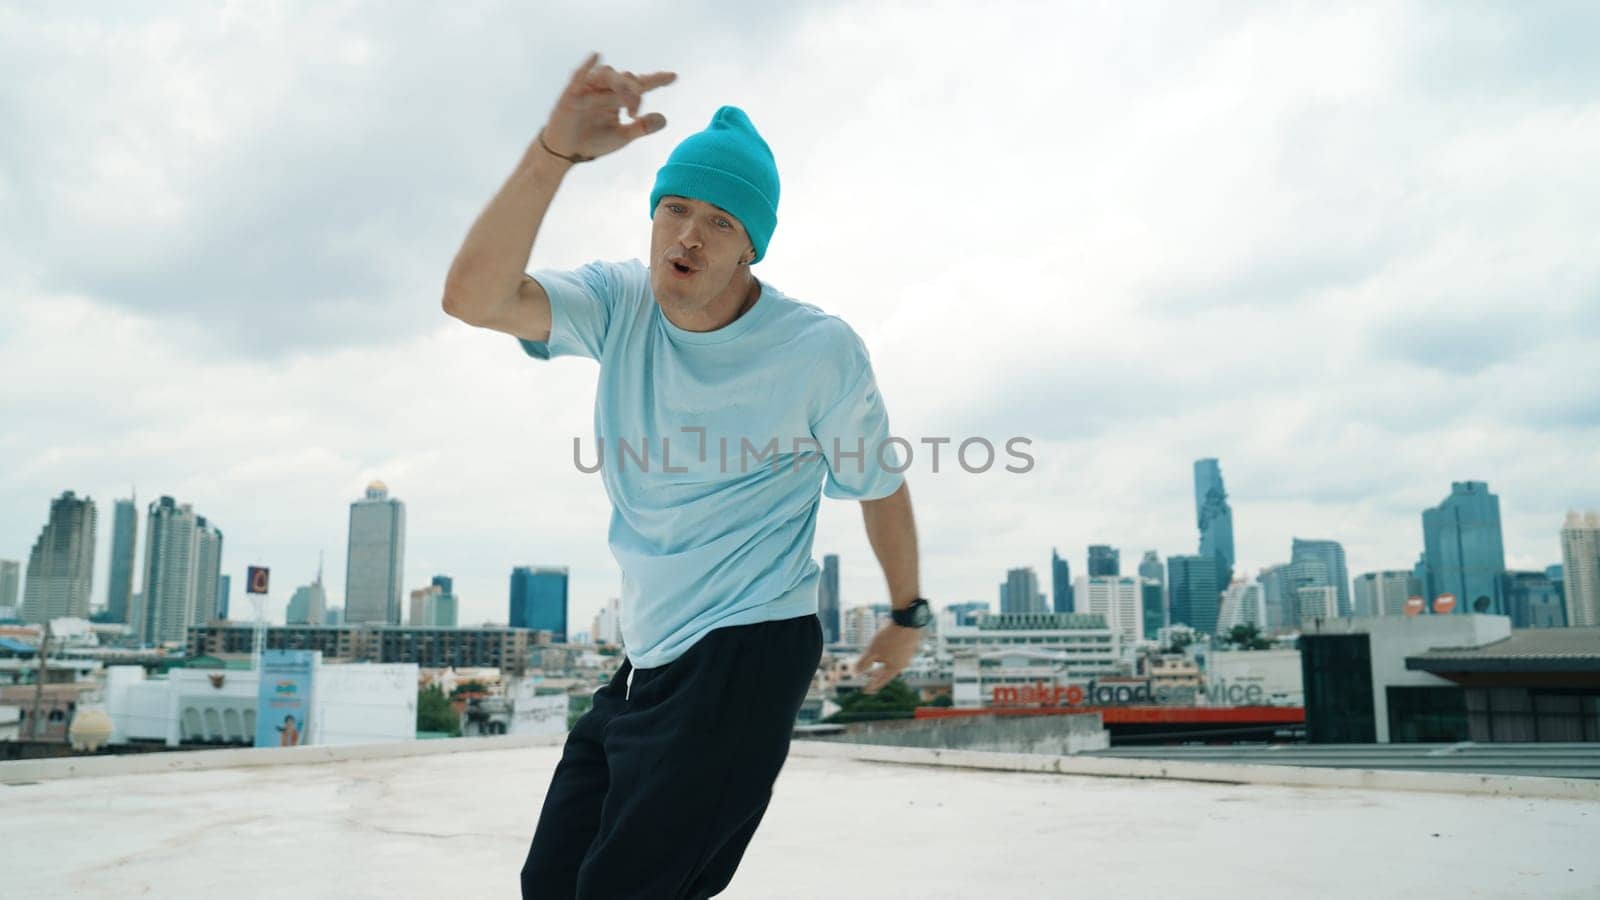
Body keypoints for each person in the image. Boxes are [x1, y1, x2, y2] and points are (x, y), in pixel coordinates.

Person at [442, 53, 931, 900]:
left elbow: (879, 484)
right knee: (551, 882)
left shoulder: (816, 351)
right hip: (646, 660)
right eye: (673, 209)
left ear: (752, 246)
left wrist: (905, 613)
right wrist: (556, 150)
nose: (688, 236)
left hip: (750, 651)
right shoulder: (618, 301)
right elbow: (473, 298)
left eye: (719, 221)